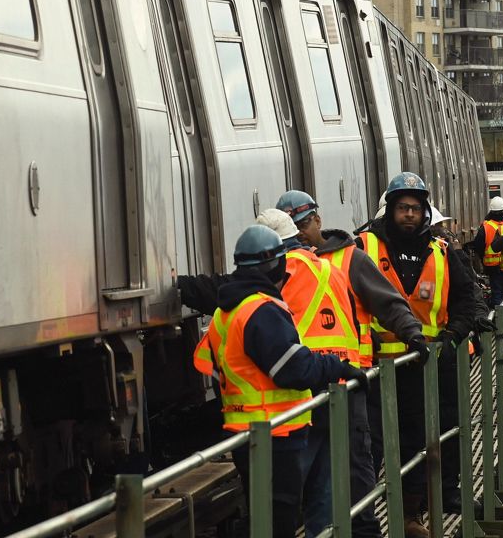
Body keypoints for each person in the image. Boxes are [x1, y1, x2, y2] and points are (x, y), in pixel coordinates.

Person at [192, 224, 366, 538]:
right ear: (277, 265)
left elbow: (216, 368)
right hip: (278, 432)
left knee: (265, 515)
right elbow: (294, 368)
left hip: (245, 432)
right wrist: (336, 366)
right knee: (280, 518)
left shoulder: (225, 312)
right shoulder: (262, 310)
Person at [275, 190, 427, 538]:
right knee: (310, 472)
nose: (300, 232)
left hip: (348, 384)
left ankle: (362, 530)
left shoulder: (349, 259)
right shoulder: (282, 264)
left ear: (318, 219)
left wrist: (412, 334)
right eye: (292, 226)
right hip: (300, 388)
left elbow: (387, 301)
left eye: (303, 223)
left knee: (356, 465)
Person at [357, 172, 484, 536]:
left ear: (424, 212)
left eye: (415, 208)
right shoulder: (363, 247)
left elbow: (467, 299)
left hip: (426, 367)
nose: (409, 214)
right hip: (377, 370)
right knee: (371, 447)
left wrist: (454, 334)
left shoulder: (441, 252)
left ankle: (411, 517)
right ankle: (364, 519)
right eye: (402, 208)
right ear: (390, 210)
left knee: (418, 442)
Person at [467, 197, 503, 306]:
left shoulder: (485, 227)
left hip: (491, 265)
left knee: (496, 290)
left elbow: (478, 247)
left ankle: (497, 312)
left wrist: (482, 259)